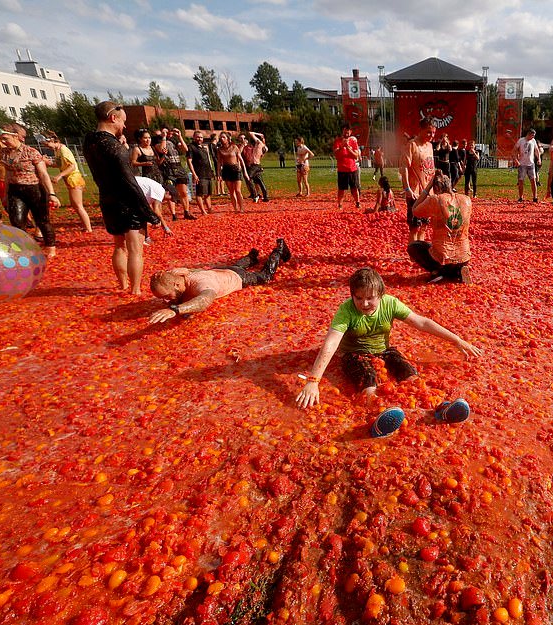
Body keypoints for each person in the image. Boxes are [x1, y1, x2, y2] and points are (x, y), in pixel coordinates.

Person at [294, 267, 482, 410]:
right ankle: (379, 411)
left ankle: (437, 409)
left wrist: (458, 340)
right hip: (354, 354)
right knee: (369, 382)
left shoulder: (390, 303)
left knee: (410, 375)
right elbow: (331, 342)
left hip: (384, 351)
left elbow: (422, 323)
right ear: (352, 296)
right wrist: (313, 381)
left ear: (381, 295)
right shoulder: (346, 310)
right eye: (358, 298)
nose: (364, 304)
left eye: (370, 298)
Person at [83, 101, 161, 295]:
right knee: (135, 249)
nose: (124, 126)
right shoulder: (115, 148)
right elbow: (129, 182)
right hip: (127, 201)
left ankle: (123, 284)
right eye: (123, 122)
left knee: (119, 246)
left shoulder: (90, 142)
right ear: (113, 118)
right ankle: (135, 289)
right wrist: (149, 212)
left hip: (107, 198)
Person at [147, 238, 292, 324]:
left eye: (167, 296)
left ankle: (278, 251)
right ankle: (252, 256)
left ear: (177, 285)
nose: (166, 301)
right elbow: (183, 275)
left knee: (265, 276)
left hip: (237, 277)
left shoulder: (201, 284)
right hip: (220, 270)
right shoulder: (179, 277)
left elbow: (205, 300)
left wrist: (175, 310)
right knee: (236, 265)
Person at [0, 124, 59, 257]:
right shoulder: (4, 153)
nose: (3, 142)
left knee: (42, 220)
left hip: (34, 189)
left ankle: (50, 246)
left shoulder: (31, 152)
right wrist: (6, 194)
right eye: (1, 139)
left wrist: (52, 194)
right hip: (15, 190)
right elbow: (8, 174)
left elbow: (43, 174)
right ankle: (24, 248)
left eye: (5, 138)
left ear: (15, 137)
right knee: (17, 221)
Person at [408, 171, 472, 283]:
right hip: (464, 257)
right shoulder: (466, 199)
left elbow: (415, 210)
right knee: (448, 249)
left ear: (436, 188)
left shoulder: (436, 200)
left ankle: (438, 272)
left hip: (443, 258)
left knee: (414, 247)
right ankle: (458, 270)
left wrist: (427, 188)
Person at [42, 131, 92, 233]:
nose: (47, 147)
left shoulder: (63, 150)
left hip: (74, 179)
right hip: (70, 180)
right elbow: (59, 164)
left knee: (78, 205)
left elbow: (72, 166)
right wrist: (49, 163)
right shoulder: (58, 150)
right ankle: (86, 227)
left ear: (52, 140)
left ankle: (88, 228)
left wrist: (59, 176)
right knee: (76, 205)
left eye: (47, 144)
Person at [400, 118, 437, 243]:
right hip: (415, 193)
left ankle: (421, 251)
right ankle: (413, 253)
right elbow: (404, 167)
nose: (431, 136)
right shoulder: (412, 145)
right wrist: (407, 188)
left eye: (433, 133)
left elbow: (430, 168)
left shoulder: (430, 146)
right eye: (428, 132)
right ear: (420, 130)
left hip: (428, 192)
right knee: (415, 226)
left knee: (425, 225)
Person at [216, 132, 247, 213]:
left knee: (237, 190)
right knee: (231, 191)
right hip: (226, 170)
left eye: (223, 137)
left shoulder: (234, 147)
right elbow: (219, 162)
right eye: (220, 137)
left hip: (236, 169)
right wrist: (218, 174)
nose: (221, 139)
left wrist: (245, 172)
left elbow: (241, 160)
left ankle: (241, 208)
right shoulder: (219, 149)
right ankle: (235, 208)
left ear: (228, 139)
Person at [187, 130, 215, 215]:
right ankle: (203, 211)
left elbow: (208, 161)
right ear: (194, 137)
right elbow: (189, 161)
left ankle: (209, 208)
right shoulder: (191, 147)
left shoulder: (203, 147)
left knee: (208, 193)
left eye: (201, 137)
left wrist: (211, 171)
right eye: (198, 137)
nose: (200, 139)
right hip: (199, 174)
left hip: (208, 173)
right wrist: (194, 174)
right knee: (200, 193)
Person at [334, 124, 361, 209]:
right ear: (342, 131)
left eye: (348, 131)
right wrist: (342, 147)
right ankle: (340, 204)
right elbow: (336, 155)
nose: (346, 132)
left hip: (352, 168)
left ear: (350, 132)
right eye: (345, 130)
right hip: (342, 169)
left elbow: (356, 156)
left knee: (354, 188)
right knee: (341, 189)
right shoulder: (337, 141)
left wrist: (349, 149)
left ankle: (357, 202)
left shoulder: (353, 142)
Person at [241, 132, 269, 203]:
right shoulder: (264, 147)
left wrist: (259, 134)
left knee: (248, 178)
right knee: (260, 181)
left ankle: (255, 195)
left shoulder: (259, 143)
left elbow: (250, 133)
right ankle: (265, 197)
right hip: (258, 165)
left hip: (254, 166)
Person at [514, 129, 539, 203]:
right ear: (528, 134)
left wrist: (539, 159)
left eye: (534, 136)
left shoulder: (533, 141)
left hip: (531, 164)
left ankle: (535, 197)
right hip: (522, 164)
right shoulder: (521, 140)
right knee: (521, 181)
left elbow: (536, 150)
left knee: (533, 181)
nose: (533, 137)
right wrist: (516, 160)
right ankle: (521, 197)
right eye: (532, 135)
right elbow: (514, 150)